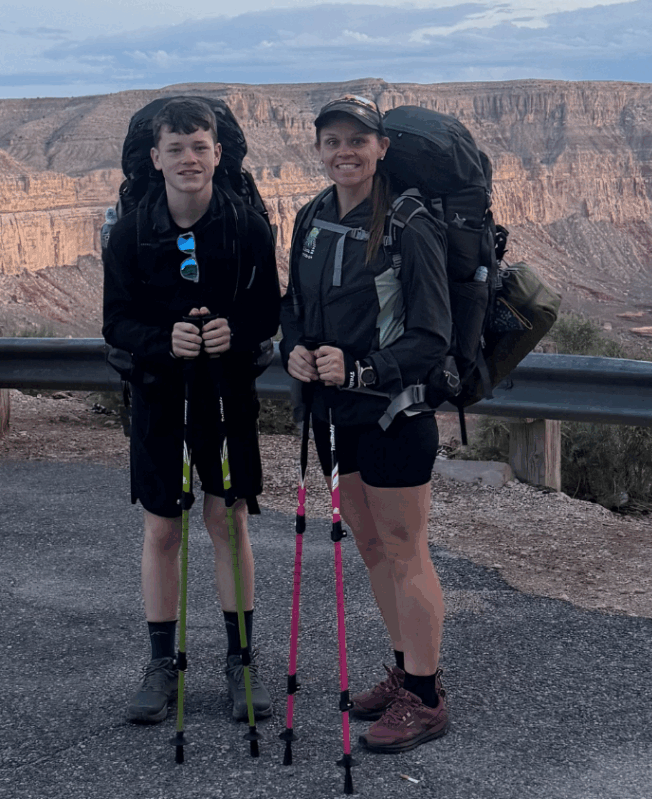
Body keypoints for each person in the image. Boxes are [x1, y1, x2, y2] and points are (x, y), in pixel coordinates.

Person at [279, 94, 451, 753]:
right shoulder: (312, 216)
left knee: (406, 549)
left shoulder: (409, 225)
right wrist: (290, 348)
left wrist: (360, 370)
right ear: (319, 150)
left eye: (358, 140)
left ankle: (427, 698)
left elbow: (431, 335)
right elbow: (295, 303)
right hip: (331, 414)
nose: (344, 152)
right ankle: (407, 671)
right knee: (373, 547)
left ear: (381, 148)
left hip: (393, 412)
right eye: (332, 141)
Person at [102, 97, 280, 725]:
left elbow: (269, 314)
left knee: (228, 522)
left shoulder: (248, 228)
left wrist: (235, 329)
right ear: (155, 159)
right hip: (159, 399)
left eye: (199, 147)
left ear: (217, 153)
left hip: (227, 400)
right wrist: (163, 340)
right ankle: (160, 663)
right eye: (175, 149)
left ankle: (242, 660)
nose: (188, 159)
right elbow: (116, 321)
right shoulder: (130, 232)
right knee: (162, 529)